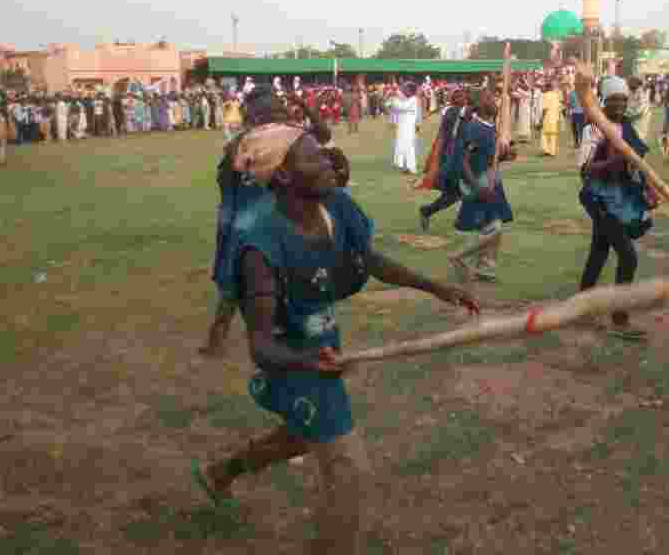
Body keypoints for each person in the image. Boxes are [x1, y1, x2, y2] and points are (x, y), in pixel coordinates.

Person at [193, 122, 479, 555]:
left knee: (298, 434)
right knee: (348, 470)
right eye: (313, 157)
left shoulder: (335, 206)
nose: (328, 160)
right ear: (285, 177)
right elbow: (262, 346)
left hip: (322, 345)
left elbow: (368, 260)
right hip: (291, 362)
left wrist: (437, 287)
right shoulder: (260, 246)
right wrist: (310, 363)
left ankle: (221, 472)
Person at [200, 88, 296, 357]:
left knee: (235, 279)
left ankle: (218, 338)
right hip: (266, 220)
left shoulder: (241, 143)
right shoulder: (292, 140)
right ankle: (273, 331)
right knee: (273, 278)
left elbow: (226, 182)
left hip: (243, 220)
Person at [577, 76, 656, 342]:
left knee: (599, 251)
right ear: (604, 101)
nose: (620, 104)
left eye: (623, 99)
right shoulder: (594, 130)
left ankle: (582, 306)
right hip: (599, 199)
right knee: (628, 256)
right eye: (614, 100)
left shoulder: (627, 128)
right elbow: (585, 170)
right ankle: (619, 318)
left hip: (622, 199)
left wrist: (649, 187)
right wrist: (611, 161)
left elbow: (637, 162)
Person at [447, 87, 514, 282]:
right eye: (489, 97)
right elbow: (464, 161)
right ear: (480, 104)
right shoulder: (474, 128)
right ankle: (459, 256)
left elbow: (487, 156)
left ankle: (485, 266)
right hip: (478, 182)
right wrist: (478, 188)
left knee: (492, 228)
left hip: (491, 179)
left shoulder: (490, 126)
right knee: (493, 228)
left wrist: (505, 156)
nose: (494, 100)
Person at [418, 89, 470, 231]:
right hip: (452, 158)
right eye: (460, 97)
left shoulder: (461, 112)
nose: (463, 99)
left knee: (455, 194)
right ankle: (429, 211)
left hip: (457, 156)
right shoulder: (453, 112)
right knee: (458, 192)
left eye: (464, 96)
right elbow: (452, 135)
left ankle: (427, 211)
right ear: (455, 99)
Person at [390, 82, 420, 174]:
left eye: (406, 89)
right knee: (403, 146)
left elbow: (403, 107)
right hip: (404, 127)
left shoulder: (413, 99)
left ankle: (412, 168)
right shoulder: (409, 99)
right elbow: (401, 99)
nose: (404, 91)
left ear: (411, 91)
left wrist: (394, 101)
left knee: (409, 147)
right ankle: (406, 166)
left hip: (408, 127)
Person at [539, 79, 562, 157]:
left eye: (544, 87)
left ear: (547, 88)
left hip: (547, 117)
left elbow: (545, 108)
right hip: (554, 117)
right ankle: (552, 151)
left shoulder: (545, 95)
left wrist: (541, 119)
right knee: (553, 135)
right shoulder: (556, 95)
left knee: (545, 134)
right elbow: (559, 107)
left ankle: (546, 150)